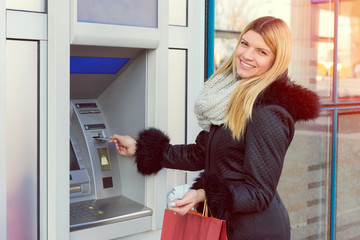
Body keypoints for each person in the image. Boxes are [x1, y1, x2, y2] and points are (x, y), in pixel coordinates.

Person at [110, 16, 320, 240]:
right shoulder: (233, 96)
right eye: (245, 44)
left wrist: (204, 193)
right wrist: (143, 148)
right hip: (226, 225)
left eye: (262, 51)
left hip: (253, 231)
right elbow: (202, 152)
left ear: (276, 61)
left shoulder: (267, 112)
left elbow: (259, 193)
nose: (247, 55)